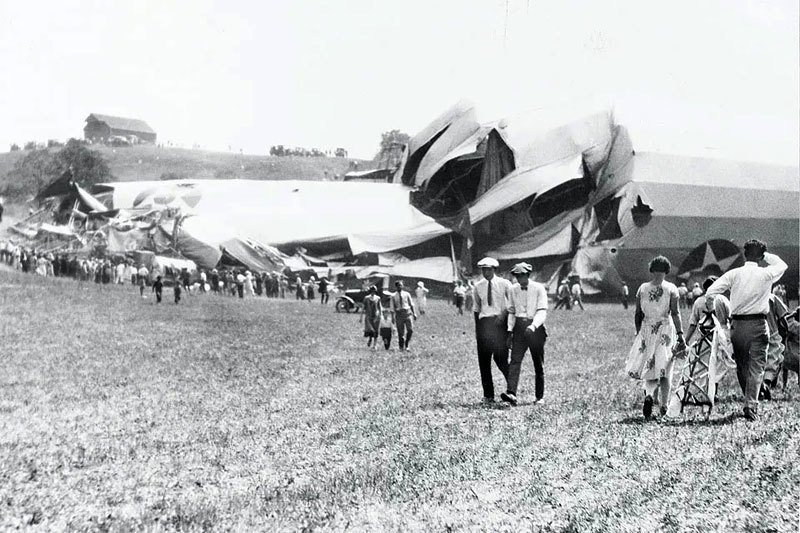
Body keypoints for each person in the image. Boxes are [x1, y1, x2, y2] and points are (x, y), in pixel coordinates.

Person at [705, 239, 787, 421]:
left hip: (738, 325)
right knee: (757, 366)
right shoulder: (767, 274)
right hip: (758, 323)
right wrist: (766, 256)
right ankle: (751, 403)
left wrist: (711, 310)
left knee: (742, 365)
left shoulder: (734, 274)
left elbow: (711, 292)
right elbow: (782, 264)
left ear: (744, 254)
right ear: (761, 256)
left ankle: (749, 399)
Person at [624, 256, 685, 419]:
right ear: (666, 270)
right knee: (666, 368)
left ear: (652, 269)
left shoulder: (642, 288)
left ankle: (650, 395)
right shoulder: (671, 288)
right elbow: (675, 313)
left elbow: (638, 313)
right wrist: (680, 334)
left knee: (650, 367)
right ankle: (664, 405)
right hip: (665, 330)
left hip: (647, 329)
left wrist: (639, 332)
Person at [666, 276, 733, 418]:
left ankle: (708, 392)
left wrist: (685, 341)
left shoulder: (699, 302)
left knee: (704, 367)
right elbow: (730, 320)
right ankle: (711, 392)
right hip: (721, 339)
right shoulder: (722, 300)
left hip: (704, 338)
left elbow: (693, 324)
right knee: (717, 366)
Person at [501, 262, 548, 406]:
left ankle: (539, 396)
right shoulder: (513, 289)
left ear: (528, 275)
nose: (519, 278)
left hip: (535, 328)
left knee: (538, 363)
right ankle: (511, 393)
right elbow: (511, 312)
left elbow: (542, 310)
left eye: (522, 275)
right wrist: (510, 331)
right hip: (519, 328)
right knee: (515, 361)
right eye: (516, 276)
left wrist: (533, 326)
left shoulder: (539, 288)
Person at [473, 257, 512, 403]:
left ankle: (512, 389)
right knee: (484, 360)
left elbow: (512, 304)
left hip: (499, 323)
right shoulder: (478, 286)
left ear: (494, 269)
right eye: (483, 269)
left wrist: (504, 317)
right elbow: (476, 309)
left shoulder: (505, 284)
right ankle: (488, 395)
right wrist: (478, 330)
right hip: (485, 323)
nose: (486, 272)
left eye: (488, 269)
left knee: (501, 358)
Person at [761, 293, 789, 399]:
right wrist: (786, 329)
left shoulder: (752, 295)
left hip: (755, 332)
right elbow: (782, 317)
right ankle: (767, 383)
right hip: (772, 331)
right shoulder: (771, 297)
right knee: (773, 360)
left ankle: (758, 387)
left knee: (758, 361)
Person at [390, 280, 417, 352]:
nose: (400, 287)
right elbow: (392, 307)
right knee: (400, 332)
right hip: (399, 314)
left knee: (410, 330)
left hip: (407, 313)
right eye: (398, 285)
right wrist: (392, 317)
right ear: (396, 287)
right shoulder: (393, 296)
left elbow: (411, 304)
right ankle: (401, 347)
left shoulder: (407, 294)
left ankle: (407, 344)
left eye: (401, 285)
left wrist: (414, 313)